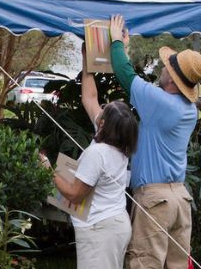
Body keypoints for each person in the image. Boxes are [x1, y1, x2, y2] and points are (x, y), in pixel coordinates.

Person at [105, 14, 201, 269]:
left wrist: (116, 42)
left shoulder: (159, 103)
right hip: (180, 199)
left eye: (166, 69)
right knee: (177, 265)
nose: (162, 70)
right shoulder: (189, 108)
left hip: (155, 199)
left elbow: (125, 76)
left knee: (144, 263)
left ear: (171, 80)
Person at [49, 71, 136, 269]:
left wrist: (49, 170)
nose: (101, 110)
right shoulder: (120, 143)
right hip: (114, 225)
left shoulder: (97, 154)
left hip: (100, 230)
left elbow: (74, 195)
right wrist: (87, 60)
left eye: (104, 111)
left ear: (104, 124)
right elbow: (90, 98)